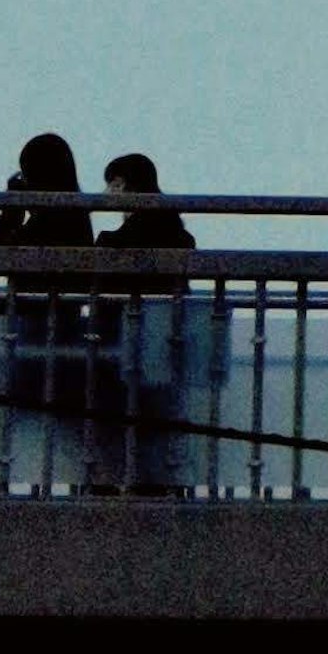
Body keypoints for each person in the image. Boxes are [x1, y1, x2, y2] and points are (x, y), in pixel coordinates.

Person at [99, 151, 200, 488]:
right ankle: (162, 481)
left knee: (115, 418)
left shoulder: (117, 242)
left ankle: (110, 480)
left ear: (123, 185)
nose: (106, 196)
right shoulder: (179, 235)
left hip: (128, 348)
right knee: (159, 424)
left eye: (111, 185)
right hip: (171, 346)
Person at [0, 132, 96, 436]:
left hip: (38, 327)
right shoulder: (77, 213)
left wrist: (12, 209)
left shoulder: (52, 218)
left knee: (5, 420)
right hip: (63, 326)